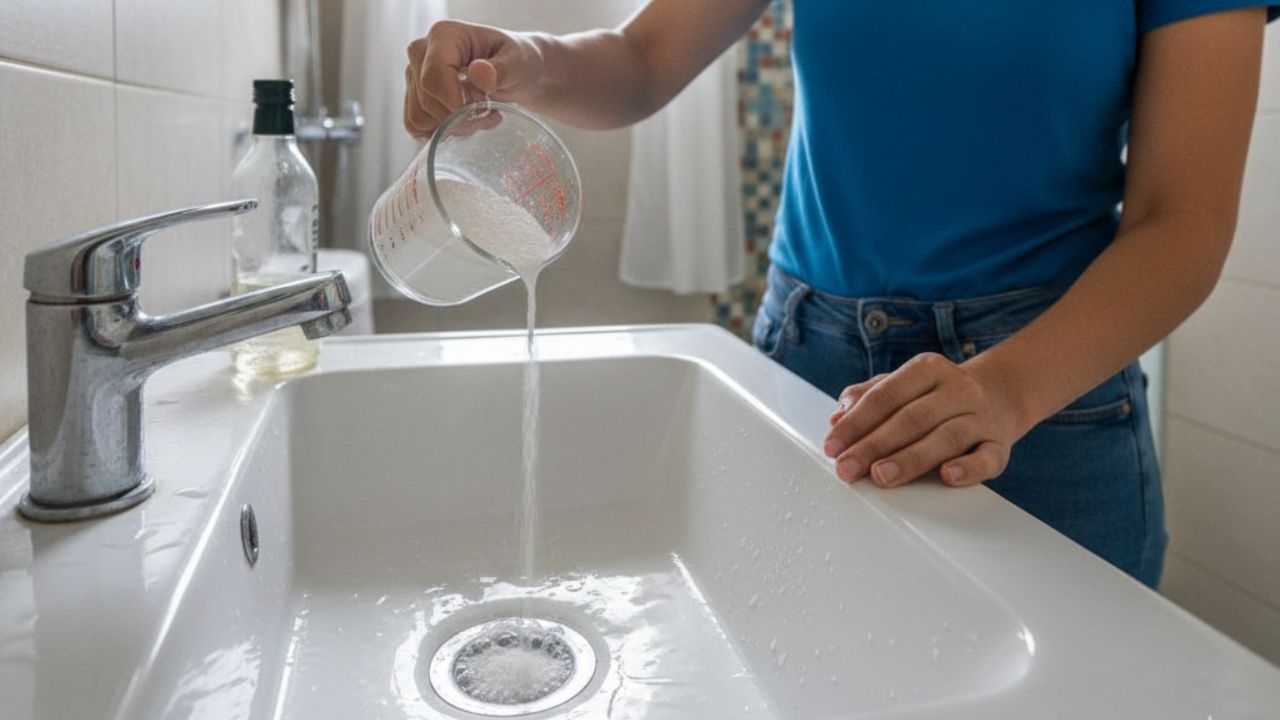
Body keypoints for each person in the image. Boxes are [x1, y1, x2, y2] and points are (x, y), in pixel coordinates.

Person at [401, 1, 1278, 588]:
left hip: (1046, 398)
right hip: (810, 361)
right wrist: (523, 61)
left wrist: (1006, 391)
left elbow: (1182, 220)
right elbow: (641, 58)